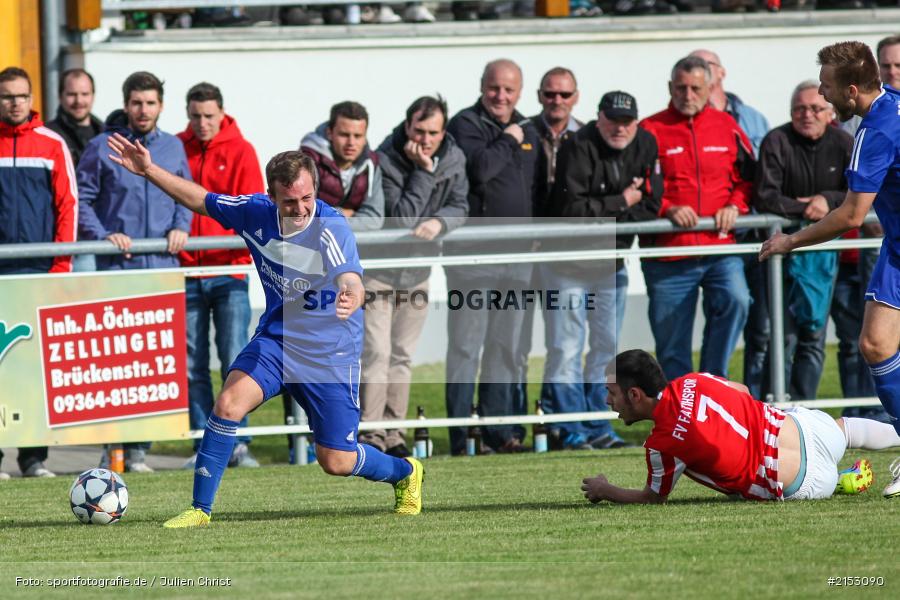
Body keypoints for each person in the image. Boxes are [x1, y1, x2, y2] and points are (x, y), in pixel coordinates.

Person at [106, 138, 424, 526]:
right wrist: (149, 170)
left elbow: (352, 279)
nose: (301, 208)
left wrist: (352, 295)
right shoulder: (254, 212)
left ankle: (406, 473)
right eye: (290, 202)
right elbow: (201, 199)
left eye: (307, 197)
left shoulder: (330, 226)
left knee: (336, 461)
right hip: (278, 340)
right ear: (271, 195)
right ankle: (199, 510)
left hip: (329, 352)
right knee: (227, 405)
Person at [760, 41, 900, 498]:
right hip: (897, 250)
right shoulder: (892, 104)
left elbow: (851, 216)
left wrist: (790, 240)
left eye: (826, 88)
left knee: (875, 344)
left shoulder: (874, 131)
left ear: (852, 89)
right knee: (876, 344)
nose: (821, 96)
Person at [580, 350, 900, 504]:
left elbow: (653, 499)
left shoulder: (661, 445)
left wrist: (604, 489)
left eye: (612, 392)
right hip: (810, 431)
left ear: (634, 394)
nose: (609, 400)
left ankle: (840, 480)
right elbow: (743, 392)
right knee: (843, 428)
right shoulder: (693, 380)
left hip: (802, 484)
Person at [78, 71, 194, 472]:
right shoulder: (102, 147)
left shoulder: (174, 147)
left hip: (162, 267)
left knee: (156, 361)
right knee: (114, 363)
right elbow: (83, 201)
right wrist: (104, 234)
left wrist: (182, 226)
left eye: (150, 103)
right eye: (136, 103)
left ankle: (141, 450)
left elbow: (186, 194)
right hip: (117, 269)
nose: (143, 110)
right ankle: (111, 448)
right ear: (126, 105)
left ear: (161, 106)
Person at [541, 91, 662, 450]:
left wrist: (611, 212)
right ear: (599, 118)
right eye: (613, 120)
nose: (620, 128)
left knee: (605, 351)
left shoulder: (646, 143)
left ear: (636, 122)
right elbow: (572, 210)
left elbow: (652, 206)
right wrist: (623, 202)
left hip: (611, 264)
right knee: (565, 348)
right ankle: (569, 429)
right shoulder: (577, 146)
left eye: (627, 122)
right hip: (566, 264)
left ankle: (598, 426)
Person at [360, 95, 468, 456]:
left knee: (402, 356)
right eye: (419, 130)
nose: (425, 139)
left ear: (443, 131)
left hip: (419, 271)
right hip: (378, 272)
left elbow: (461, 205)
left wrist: (441, 221)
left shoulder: (454, 158)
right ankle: (370, 433)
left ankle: (395, 433)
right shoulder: (383, 159)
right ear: (407, 127)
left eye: (433, 132)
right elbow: (401, 216)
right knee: (376, 352)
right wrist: (423, 172)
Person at [444, 58, 539, 455]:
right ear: (482, 87)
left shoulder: (527, 129)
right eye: (494, 88)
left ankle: (502, 433)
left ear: (520, 92)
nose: (501, 96)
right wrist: (509, 139)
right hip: (473, 258)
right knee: (467, 347)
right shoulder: (464, 125)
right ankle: (462, 435)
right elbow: (480, 170)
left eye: (509, 90)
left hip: (518, 257)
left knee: (506, 347)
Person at [639, 55, 754, 381]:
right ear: (669, 88)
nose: (687, 95)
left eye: (695, 88)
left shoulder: (727, 126)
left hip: (719, 249)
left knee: (737, 300)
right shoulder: (650, 129)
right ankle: (681, 415)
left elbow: (749, 178)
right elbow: (637, 184)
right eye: (681, 87)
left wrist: (736, 205)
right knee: (672, 346)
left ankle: (712, 382)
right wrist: (667, 208)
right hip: (668, 253)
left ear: (710, 88)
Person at [177, 82, 264, 469]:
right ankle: (202, 444)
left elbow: (250, 209)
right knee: (193, 362)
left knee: (234, 359)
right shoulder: (176, 145)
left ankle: (237, 442)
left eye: (209, 116)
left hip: (228, 271)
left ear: (222, 113)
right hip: (187, 270)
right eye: (195, 115)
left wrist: (226, 248)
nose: (201, 123)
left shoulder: (241, 150)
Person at [748, 80, 853, 401]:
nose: (806, 114)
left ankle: (803, 407)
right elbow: (765, 196)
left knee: (814, 333)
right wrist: (808, 208)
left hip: (827, 255)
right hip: (782, 254)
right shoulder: (776, 141)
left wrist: (827, 198)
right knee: (779, 334)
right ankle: (772, 407)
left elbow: (858, 192)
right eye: (799, 109)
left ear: (830, 113)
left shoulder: (844, 142)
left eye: (815, 108)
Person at [0, 66, 77, 479]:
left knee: (33, 369)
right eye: (7, 96)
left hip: (36, 272)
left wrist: (60, 266)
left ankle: (33, 458)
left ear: (32, 100)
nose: (14, 102)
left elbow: (69, 205)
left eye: (21, 96)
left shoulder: (51, 144)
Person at [300, 101, 384, 232]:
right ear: (329, 133)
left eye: (358, 136)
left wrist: (333, 217)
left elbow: (374, 220)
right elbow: (306, 216)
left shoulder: (371, 164)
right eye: (344, 135)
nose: (351, 143)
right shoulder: (307, 161)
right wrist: (343, 214)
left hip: (354, 249)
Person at [689, 49, 769, 155]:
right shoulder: (680, 121)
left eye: (704, 64)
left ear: (721, 73)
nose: (698, 71)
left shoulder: (754, 119)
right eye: (691, 67)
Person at [45, 68, 104, 167]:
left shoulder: (107, 136)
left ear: (93, 96)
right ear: (60, 97)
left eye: (85, 94)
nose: (78, 101)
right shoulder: (48, 135)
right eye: (71, 94)